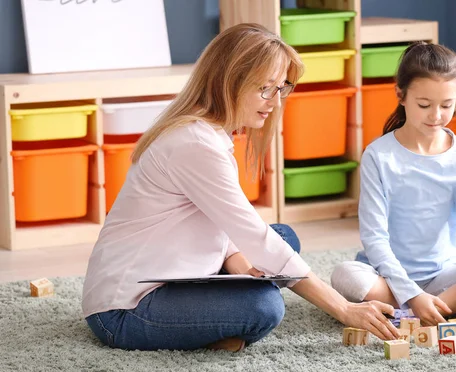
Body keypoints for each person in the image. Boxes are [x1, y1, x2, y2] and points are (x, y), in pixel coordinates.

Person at [81, 23, 401, 352]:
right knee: (264, 306)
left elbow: (226, 220)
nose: (275, 102)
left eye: (280, 88)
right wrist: (343, 308)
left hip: (171, 266)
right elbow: (252, 234)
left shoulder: (205, 131)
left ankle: (216, 319)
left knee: (283, 238)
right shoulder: (194, 144)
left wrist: (238, 261)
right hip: (124, 309)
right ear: (229, 83)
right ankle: (213, 327)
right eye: (265, 88)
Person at [330, 42, 456, 329]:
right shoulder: (379, 156)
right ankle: (447, 306)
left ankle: (446, 304)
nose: (436, 115)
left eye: (446, 105)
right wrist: (412, 293)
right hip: (389, 277)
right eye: (424, 105)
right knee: (345, 275)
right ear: (401, 95)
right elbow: (374, 238)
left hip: (446, 274)